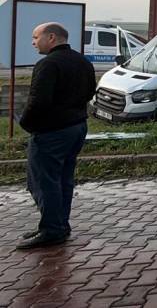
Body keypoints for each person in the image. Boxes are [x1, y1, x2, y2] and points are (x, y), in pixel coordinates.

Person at [18, 23, 96, 250]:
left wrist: (26, 123)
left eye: (35, 37)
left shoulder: (48, 64)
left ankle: (51, 230)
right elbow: (90, 92)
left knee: (43, 182)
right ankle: (59, 225)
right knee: (63, 179)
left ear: (51, 37)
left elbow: (38, 101)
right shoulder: (83, 61)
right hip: (76, 127)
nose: (33, 42)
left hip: (51, 132)